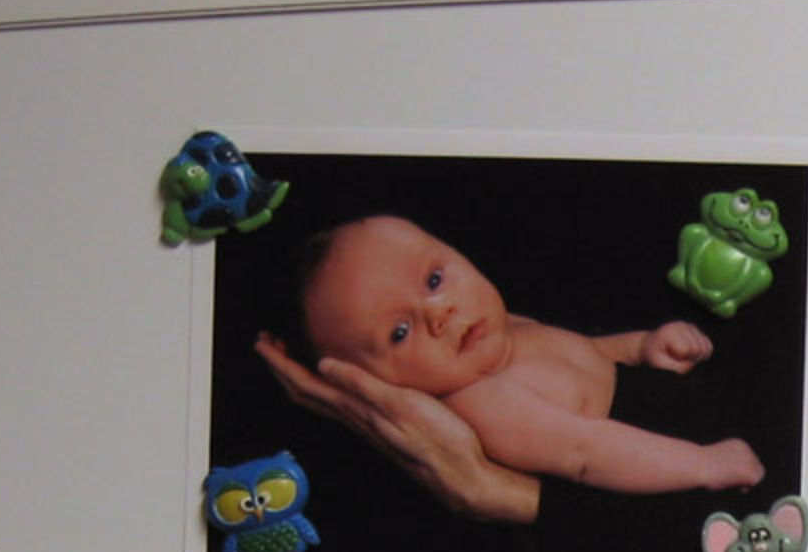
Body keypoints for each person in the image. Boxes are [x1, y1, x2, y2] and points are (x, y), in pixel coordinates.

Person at [257, 215, 764, 513]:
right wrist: (702, 465)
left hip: (675, 409)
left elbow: (584, 356)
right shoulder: (483, 402)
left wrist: (639, 348)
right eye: (399, 333)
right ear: (375, 386)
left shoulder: (500, 331)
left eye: (434, 280)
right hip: (661, 452)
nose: (439, 314)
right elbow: (586, 453)